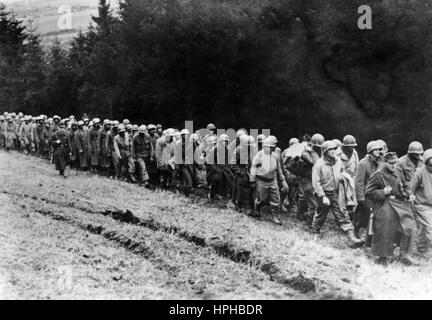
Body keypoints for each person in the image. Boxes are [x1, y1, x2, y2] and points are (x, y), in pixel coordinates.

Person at [365, 152, 418, 266]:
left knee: (409, 223)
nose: (394, 165)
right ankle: (382, 256)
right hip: (384, 203)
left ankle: (404, 254)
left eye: (395, 162)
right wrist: (382, 192)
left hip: (399, 202)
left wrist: (410, 194)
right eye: (391, 163)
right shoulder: (377, 175)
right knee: (385, 224)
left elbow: (405, 186)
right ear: (385, 162)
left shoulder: (398, 172)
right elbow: (368, 193)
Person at [311, 140, 363, 246]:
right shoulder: (319, 164)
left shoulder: (338, 162)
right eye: (330, 149)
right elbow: (316, 182)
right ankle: (316, 232)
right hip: (323, 193)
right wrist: (322, 196)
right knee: (321, 214)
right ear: (325, 151)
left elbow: (342, 172)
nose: (333, 151)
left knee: (342, 213)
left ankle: (351, 237)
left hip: (335, 193)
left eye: (334, 149)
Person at [250, 137, 288, 225]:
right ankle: (257, 210)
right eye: (269, 147)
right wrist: (252, 180)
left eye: (272, 147)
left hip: (272, 180)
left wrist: (283, 181)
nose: (271, 149)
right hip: (261, 180)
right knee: (261, 199)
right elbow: (253, 168)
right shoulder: (259, 155)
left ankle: (275, 216)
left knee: (276, 199)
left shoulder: (275, 156)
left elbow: (278, 170)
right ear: (264, 147)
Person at [353, 140, 382, 240]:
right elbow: (359, 182)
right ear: (370, 151)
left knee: (373, 215)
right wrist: (360, 198)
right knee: (361, 213)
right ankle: (356, 231)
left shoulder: (379, 162)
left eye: (379, 149)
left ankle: (370, 236)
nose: (378, 151)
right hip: (366, 194)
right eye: (375, 149)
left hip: (375, 193)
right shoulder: (363, 163)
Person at [408, 149, 432, 257]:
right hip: (422, 204)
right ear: (426, 161)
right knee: (430, 226)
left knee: (424, 227)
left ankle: (421, 247)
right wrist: (411, 200)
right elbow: (410, 189)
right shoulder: (419, 172)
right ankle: (428, 251)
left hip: (430, 204)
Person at [297, 133, 324, 223]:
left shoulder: (318, 152)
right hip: (307, 179)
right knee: (311, 201)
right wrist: (312, 152)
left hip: (315, 179)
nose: (319, 148)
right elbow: (315, 163)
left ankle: (304, 215)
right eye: (317, 146)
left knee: (308, 199)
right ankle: (309, 219)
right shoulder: (305, 152)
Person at [232, 135, 257, 213]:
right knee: (239, 189)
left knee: (252, 189)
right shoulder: (237, 151)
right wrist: (240, 172)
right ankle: (238, 204)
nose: (249, 148)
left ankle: (251, 205)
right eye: (247, 146)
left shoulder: (253, 151)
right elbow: (233, 164)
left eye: (250, 146)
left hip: (250, 171)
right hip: (241, 172)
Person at [206, 134, 235, 201]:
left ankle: (228, 196)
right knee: (216, 179)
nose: (225, 143)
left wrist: (229, 166)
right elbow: (208, 160)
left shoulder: (227, 149)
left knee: (231, 179)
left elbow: (230, 159)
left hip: (225, 167)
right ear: (220, 141)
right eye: (223, 141)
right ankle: (212, 195)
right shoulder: (214, 149)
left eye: (226, 141)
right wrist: (214, 168)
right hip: (215, 167)